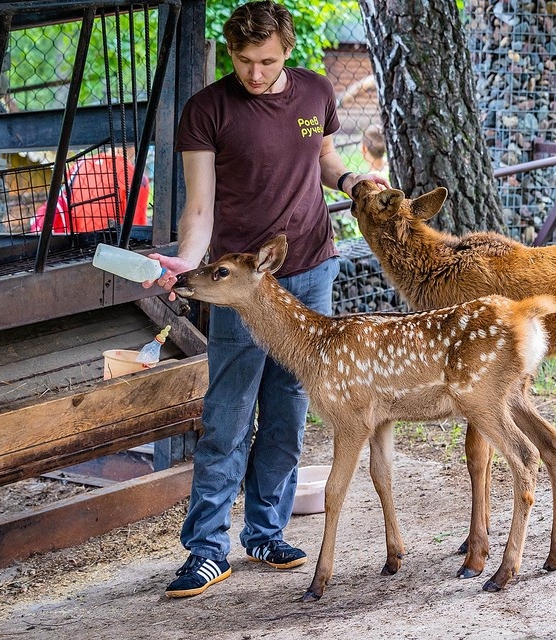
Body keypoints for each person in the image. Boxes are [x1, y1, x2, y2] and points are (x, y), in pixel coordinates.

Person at [144, 0, 388, 598]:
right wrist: (185, 259)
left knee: (291, 407)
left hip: (308, 270)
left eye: (269, 61)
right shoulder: (207, 110)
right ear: (231, 54)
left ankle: (266, 530)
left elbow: (324, 158)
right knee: (229, 414)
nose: (256, 74)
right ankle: (206, 549)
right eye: (246, 61)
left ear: (288, 52)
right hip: (242, 287)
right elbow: (199, 206)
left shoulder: (313, 93)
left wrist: (352, 180)